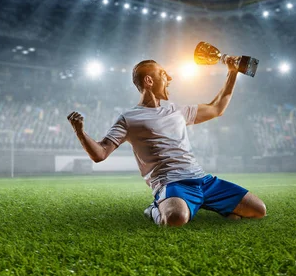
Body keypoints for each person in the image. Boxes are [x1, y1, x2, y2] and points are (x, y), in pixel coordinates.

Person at [67, 59, 266, 226]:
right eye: (163, 74)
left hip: (203, 180)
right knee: (175, 219)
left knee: (259, 210)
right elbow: (100, 154)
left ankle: (206, 203)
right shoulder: (129, 119)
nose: (169, 79)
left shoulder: (177, 110)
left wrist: (232, 72)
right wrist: (80, 131)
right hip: (172, 183)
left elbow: (217, 108)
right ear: (148, 80)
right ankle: (154, 209)